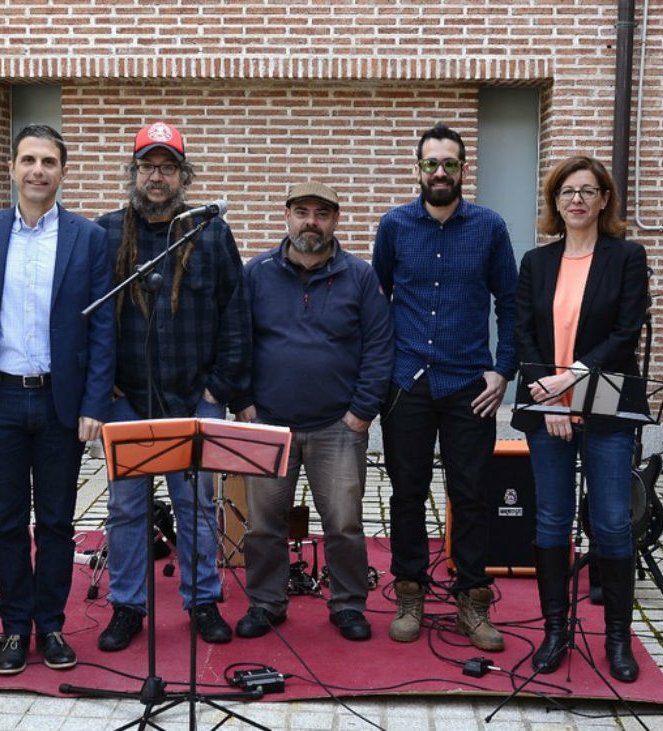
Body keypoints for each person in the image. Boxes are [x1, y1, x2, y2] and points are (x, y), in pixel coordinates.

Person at [0, 124, 116, 675]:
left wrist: (95, 402)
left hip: (60, 404)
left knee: (59, 524)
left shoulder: (87, 238)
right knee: (7, 523)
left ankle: (52, 627)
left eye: (48, 161)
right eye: (28, 160)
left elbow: (102, 327)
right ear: (12, 168)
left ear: (63, 171)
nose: (38, 170)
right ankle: (15, 628)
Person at [93, 122, 250, 651]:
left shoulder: (208, 231)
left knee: (198, 507)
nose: (156, 177)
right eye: (147, 166)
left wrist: (217, 391)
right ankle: (127, 606)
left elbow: (236, 315)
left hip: (195, 399)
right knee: (127, 508)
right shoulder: (109, 232)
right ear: (133, 173)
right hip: (128, 400)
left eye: (167, 167)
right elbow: (91, 321)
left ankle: (203, 600)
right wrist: (106, 388)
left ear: (183, 175)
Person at [371, 124, 518, 651]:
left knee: (471, 495)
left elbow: (511, 302)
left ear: (462, 169)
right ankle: (410, 592)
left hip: (468, 384)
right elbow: (377, 299)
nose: (439, 172)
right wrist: (382, 371)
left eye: (449, 164)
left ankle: (471, 600)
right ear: (418, 168)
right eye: (431, 163)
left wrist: (503, 370)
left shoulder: (490, 227)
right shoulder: (393, 227)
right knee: (406, 494)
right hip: (407, 383)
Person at [233, 182, 393, 642]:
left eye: (321, 214)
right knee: (263, 526)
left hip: (337, 427)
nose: (311, 222)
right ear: (286, 216)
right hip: (267, 426)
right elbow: (236, 340)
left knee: (344, 524)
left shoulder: (360, 277)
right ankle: (266, 603)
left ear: (336, 220)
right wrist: (242, 404)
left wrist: (362, 412)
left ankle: (347, 605)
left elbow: (380, 347)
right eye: (301, 212)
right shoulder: (257, 273)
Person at [511, 155, 648, 682]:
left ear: (604, 200)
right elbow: (524, 334)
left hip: (607, 404)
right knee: (550, 519)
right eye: (568, 191)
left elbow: (624, 334)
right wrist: (551, 401)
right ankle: (554, 632)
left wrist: (571, 382)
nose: (577, 200)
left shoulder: (627, 257)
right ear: (555, 201)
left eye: (588, 191)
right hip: (548, 405)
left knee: (612, 522)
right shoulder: (536, 263)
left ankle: (617, 639)